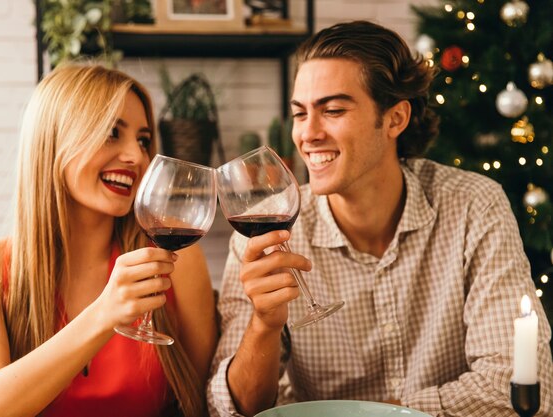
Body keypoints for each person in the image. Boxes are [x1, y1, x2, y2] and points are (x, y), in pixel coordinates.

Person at [207, 20, 553, 417]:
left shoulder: (474, 206)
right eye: (300, 114)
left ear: (395, 119)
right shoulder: (265, 237)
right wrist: (263, 325)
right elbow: (227, 410)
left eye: (333, 110)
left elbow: (519, 388)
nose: (308, 134)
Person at [0, 64, 217, 417]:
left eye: (143, 140)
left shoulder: (176, 261)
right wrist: (105, 313)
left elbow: (205, 402)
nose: (136, 157)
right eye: (111, 132)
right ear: (54, 140)